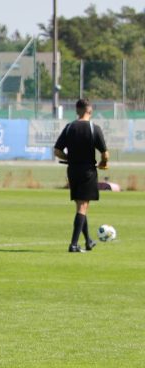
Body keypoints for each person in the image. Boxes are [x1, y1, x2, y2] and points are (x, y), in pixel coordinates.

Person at [54, 98, 110, 253]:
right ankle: (73, 244)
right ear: (89, 110)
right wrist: (103, 163)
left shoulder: (69, 127)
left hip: (72, 170)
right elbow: (105, 153)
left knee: (81, 206)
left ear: (77, 110)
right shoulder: (94, 128)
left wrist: (69, 158)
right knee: (82, 207)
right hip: (87, 171)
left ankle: (88, 241)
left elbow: (57, 151)